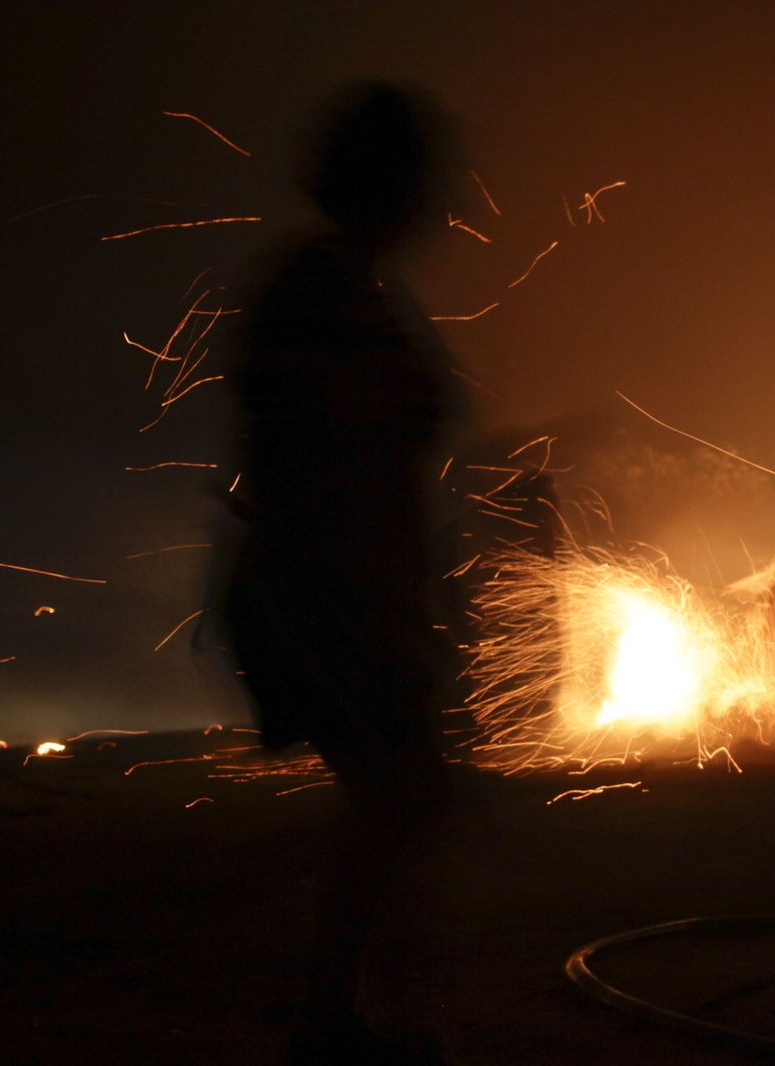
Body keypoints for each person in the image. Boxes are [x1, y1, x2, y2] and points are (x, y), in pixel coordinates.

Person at [219, 81, 468, 1064]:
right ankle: (341, 1022)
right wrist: (374, 602)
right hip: (324, 595)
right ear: (392, 184)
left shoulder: (345, 285)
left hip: (338, 591)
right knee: (401, 796)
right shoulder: (325, 289)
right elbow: (327, 461)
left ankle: (349, 1016)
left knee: (400, 799)